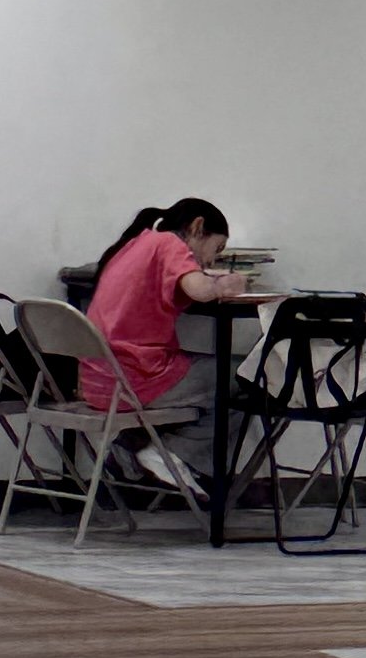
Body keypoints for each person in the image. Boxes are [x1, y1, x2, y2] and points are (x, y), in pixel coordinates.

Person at [80, 198, 257, 492]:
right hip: (134, 380)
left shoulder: (136, 243)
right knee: (249, 375)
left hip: (99, 381)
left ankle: (129, 452)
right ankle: (174, 455)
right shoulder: (169, 244)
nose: (211, 262)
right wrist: (227, 283)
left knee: (206, 379)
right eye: (216, 249)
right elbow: (199, 291)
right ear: (197, 227)